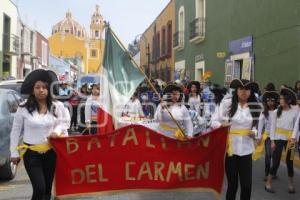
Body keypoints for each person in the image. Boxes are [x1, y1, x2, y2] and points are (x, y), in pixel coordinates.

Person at [10, 69, 70, 200]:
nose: (41, 90)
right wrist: (14, 153)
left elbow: (64, 122)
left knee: (47, 190)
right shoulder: (23, 108)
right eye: (37, 87)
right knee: (39, 188)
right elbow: (15, 130)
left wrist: (57, 132)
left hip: (51, 152)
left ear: (48, 90)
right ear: (32, 90)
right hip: (31, 154)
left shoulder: (57, 106)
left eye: (44, 87)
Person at [211, 79, 261, 200]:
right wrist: (221, 126)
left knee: (247, 185)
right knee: (232, 185)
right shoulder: (227, 104)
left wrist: (254, 133)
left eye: (247, 89)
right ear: (236, 91)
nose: (244, 92)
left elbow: (257, 127)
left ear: (251, 92)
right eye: (241, 89)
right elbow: (213, 121)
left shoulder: (256, 107)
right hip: (231, 150)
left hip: (246, 150)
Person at [265, 87, 299, 194]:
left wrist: (294, 139)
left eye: (283, 98)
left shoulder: (295, 112)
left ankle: (291, 184)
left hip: (291, 140)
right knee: (276, 162)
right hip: (278, 138)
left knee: (290, 162)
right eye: (280, 98)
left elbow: (297, 126)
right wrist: (272, 141)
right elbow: (272, 127)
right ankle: (268, 182)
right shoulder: (276, 112)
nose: (281, 100)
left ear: (288, 100)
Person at [257, 91, 279, 181]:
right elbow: (260, 125)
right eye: (268, 100)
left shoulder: (278, 112)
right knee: (268, 156)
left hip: (278, 137)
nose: (270, 102)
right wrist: (259, 137)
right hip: (268, 137)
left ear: (275, 101)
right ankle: (267, 173)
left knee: (275, 156)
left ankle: (273, 173)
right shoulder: (264, 112)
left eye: (272, 100)